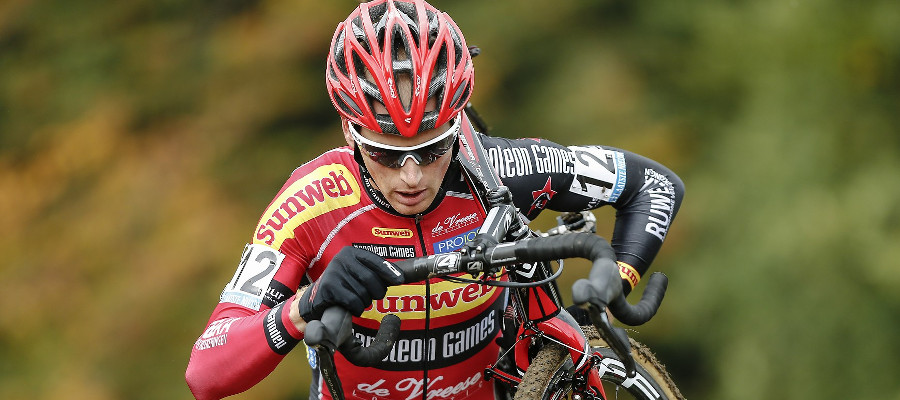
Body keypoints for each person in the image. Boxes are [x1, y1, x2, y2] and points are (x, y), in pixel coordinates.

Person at [185, 0, 684, 399]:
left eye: (432, 148)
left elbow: (655, 186)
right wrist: (304, 306)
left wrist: (615, 284)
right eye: (385, 151)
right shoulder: (311, 205)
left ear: (458, 122)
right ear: (348, 129)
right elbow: (206, 372)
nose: (411, 175)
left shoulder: (504, 172)